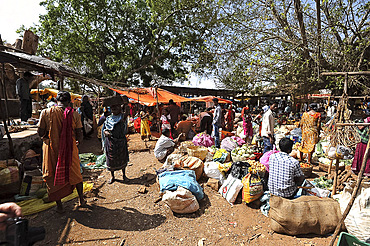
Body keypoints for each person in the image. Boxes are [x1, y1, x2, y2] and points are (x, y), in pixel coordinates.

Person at [38, 91, 86, 213]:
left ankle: (59, 206)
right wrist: (77, 143)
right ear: (69, 101)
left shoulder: (46, 112)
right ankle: (81, 200)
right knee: (75, 173)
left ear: (56, 101)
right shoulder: (74, 114)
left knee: (52, 174)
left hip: (51, 149)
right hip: (70, 149)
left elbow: (40, 132)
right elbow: (80, 132)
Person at [102, 96, 129, 184]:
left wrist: (125, 103)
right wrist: (105, 132)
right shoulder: (108, 119)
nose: (114, 109)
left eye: (116, 107)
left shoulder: (122, 117)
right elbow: (105, 129)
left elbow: (127, 110)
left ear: (120, 108)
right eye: (112, 107)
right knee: (111, 160)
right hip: (111, 142)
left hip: (120, 141)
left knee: (122, 158)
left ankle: (124, 175)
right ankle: (112, 176)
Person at [351, 111, 370, 176]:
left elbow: (360, 127)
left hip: (365, 140)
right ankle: (360, 171)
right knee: (362, 156)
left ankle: (365, 172)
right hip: (363, 140)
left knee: (365, 157)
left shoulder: (368, 119)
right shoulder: (365, 119)